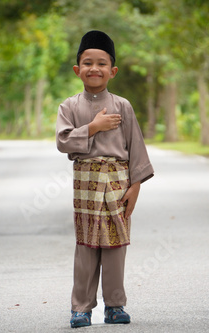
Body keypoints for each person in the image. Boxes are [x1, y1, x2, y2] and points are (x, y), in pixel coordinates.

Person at [56, 30, 154, 328]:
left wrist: (135, 186)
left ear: (112, 71)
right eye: (87, 63)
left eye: (101, 63)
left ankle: (115, 305)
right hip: (86, 185)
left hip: (117, 184)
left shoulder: (122, 106)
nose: (94, 69)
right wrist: (94, 126)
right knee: (86, 246)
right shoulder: (70, 107)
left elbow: (136, 147)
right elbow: (64, 142)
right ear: (77, 70)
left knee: (115, 246)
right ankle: (81, 308)